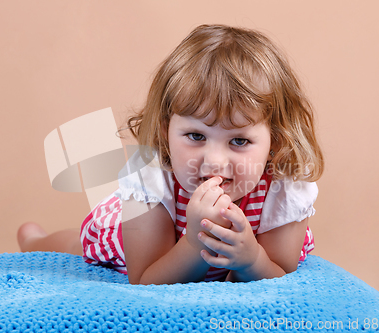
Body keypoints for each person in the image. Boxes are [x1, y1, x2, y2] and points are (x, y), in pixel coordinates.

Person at [17, 24, 324, 285]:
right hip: (146, 243)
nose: (214, 162)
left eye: (240, 141)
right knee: (81, 248)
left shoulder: (284, 188)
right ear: (166, 130)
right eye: (196, 136)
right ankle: (34, 239)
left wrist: (252, 258)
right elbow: (145, 279)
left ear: (277, 140)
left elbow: (282, 275)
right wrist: (193, 242)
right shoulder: (150, 181)